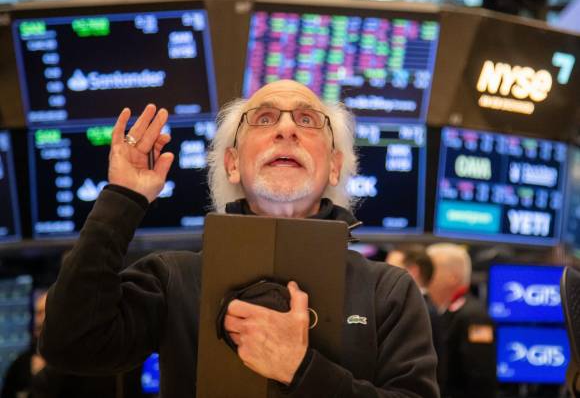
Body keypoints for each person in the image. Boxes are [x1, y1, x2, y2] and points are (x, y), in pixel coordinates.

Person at [39, 80, 439, 397]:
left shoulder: (387, 290)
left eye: (307, 120)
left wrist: (301, 370)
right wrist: (122, 198)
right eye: (264, 119)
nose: (286, 129)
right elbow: (69, 344)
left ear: (334, 167)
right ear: (232, 164)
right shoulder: (175, 278)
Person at [2, 292, 145, 398]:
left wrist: (44, 373)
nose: (39, 320)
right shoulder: (21, 364)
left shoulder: (80, 358)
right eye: (37, 313)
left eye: (45, 312)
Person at [426, 243, 496, 398]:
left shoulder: (474, 317)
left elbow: (481, 378)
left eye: (431, 271)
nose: (426, 278)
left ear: (452, 278)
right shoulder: (444, 312)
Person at [385, 245, 446, 387]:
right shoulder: (430, 308)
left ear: (413, 271)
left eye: (389, 269)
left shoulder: (419, 311)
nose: (383, 276)